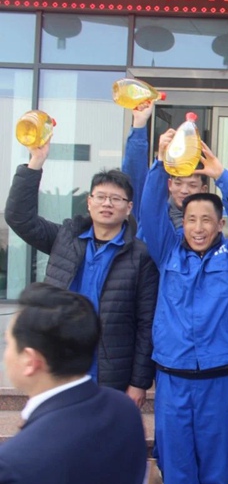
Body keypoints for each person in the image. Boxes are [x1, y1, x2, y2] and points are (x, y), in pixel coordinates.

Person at [140, 138, 228, 484]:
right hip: (172, 376)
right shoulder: (167, 252)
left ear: (220, 224)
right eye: (191, 219)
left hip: (218, 378)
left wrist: (222, 176)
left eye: (206, 220)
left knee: (218, 469)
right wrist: (161, 163)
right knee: (176, 468)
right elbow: (150, 211)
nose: (198, 228)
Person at [5, 144, 157, 407]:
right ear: (89, 202)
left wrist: (139, 382)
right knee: (58, 427)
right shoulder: (65, 238)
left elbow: (147, 322)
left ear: (129, 207)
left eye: (116, 199)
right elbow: (19, 218)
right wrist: (36, 162)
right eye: (100, 197)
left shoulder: (140, 255)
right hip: (59, 360)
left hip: (111, 370)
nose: (107, 203)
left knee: (104, 431)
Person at [0, 283, 147, 484]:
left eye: (8, 344)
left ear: (31, 361)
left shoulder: (13, 464)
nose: (6, 355)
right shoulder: (124, 408)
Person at [121, 101, 209, 229]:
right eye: (178, 183)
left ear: (203, 189)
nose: (184, 190)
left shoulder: (209, 226)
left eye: (192, 185)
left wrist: (221, 175)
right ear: (169, 184)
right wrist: (139, 124)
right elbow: (135, 176)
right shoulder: (151, 214)